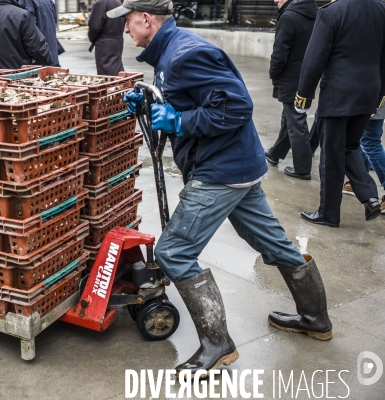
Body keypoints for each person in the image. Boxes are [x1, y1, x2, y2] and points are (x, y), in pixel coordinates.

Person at [108, 0, 332, 375]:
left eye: (128, 21)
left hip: (221, 171)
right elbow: (195, 99)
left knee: (173, 251)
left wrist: (178, 121)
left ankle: (218, 345)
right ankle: (316, 319)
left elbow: (236, 107)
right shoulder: (171, 52)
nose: (126, 29)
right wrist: (149, 104)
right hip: (238, 165)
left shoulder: (186, 54)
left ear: (146, 19)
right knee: (273, 244)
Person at [294, 0, 385, 227]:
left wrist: (303, 95)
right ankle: (370, 196)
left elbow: (315, 57)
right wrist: (381, 93)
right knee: (349, 147)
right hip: (368, 91)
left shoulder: (331, 11)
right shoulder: (381, 9)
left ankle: (328, 214)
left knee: (331, 157)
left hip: (338, 94)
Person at [264, 0, 316, 180]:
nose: (275, 0)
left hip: (290, 77)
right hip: (306, 75)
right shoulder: (314, 13)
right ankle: (275, 153)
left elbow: (280, 53)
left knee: (296, 122)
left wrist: (273, 73)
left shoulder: (288, 17)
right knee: (290, 117)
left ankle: (303, 168)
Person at [88, 0, 125, 76]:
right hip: (118, 39)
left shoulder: (100, 3)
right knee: (116, 68)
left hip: (104, 41)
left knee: (106, 73)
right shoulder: (118, 2)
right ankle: (120, 86)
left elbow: (94, 26)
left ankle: (111, 87)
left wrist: (92, 38)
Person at [32, 0, 61, 66]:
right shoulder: (48, 1)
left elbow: (28, 31)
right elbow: (54, 22)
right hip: (50, 54)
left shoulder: (25, 2)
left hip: (37, 60)